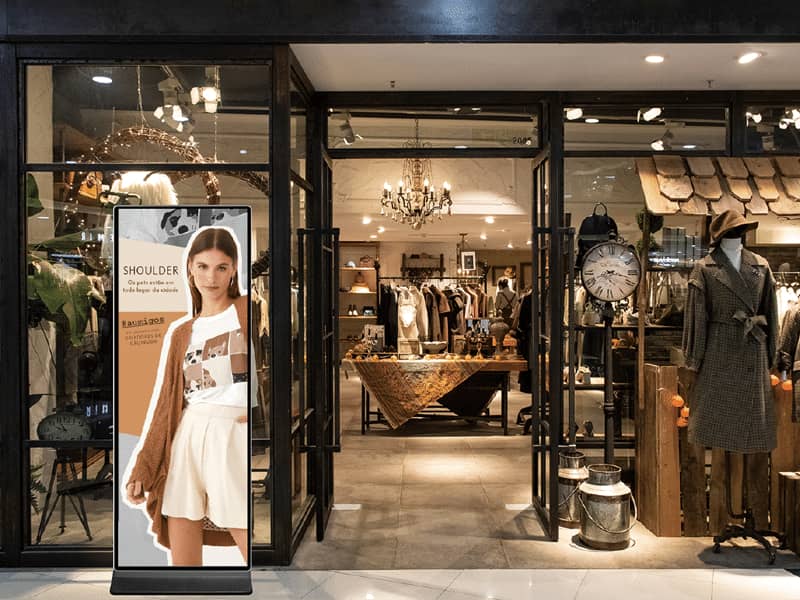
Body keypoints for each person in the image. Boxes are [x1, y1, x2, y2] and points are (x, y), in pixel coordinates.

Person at [123, 226, 250, 566]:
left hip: (234, 435)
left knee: (249, 532)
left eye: (221, 267)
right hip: (189, 434)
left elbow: (283, 370)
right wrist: (143, 468)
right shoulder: (182, 332)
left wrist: (264, 414)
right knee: (181, 527)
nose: (211, 277)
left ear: (234, 269)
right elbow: (166, 404)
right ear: (190, 267)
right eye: (203, 266)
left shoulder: (248, 311)